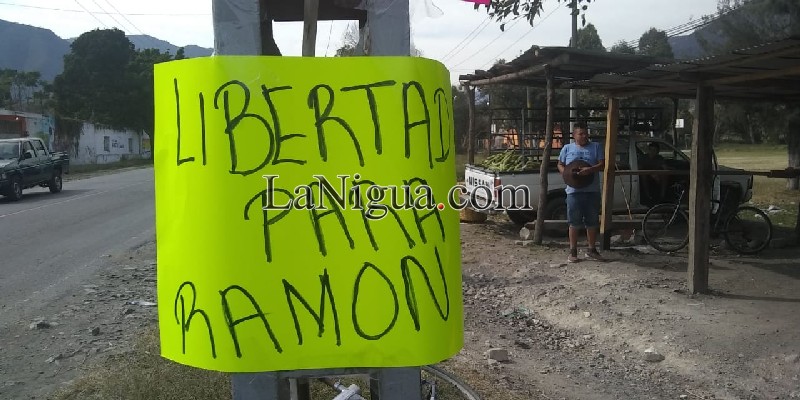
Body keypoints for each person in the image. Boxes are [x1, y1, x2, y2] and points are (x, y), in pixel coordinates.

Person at [557, 122, 605, 263]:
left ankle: (591, 249)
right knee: (574, 221)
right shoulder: (567, 148)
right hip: (573, 191)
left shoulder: (596, 147)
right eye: (581, 134)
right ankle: (573, 251)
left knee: (592, 220)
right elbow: (560, 164)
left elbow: (602, 164)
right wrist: (566, 174)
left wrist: (589, 170)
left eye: (586, 133)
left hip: (592, 190)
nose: (584, 136)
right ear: (574, 135)